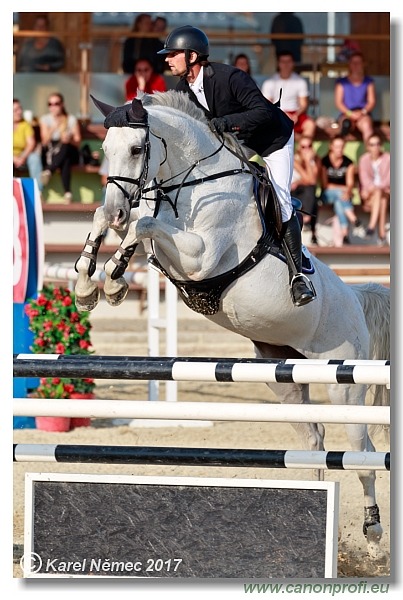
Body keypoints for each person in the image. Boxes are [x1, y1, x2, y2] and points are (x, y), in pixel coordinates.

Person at [157, 25, 315, 306]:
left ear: (192, 56)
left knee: (279, 199)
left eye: (173, 54)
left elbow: (264, 112)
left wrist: (227, 123)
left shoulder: (231, 77)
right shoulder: (182, 90)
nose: (167, 59)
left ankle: (298, 275)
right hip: (239, 142)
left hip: (272, 139)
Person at [261, 50, 316, 139]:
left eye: (288, 61)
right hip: (277, 114)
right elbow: (267, 105)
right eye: (283, 62)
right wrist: (283, 114)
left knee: (310, 125)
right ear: (278, 64)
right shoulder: (269, 82)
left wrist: (296, 115)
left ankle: (303, 148)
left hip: (296, 114)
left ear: (293, 63)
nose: (286, 65)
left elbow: (303, 104)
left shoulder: (300, 81)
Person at [39, 92, 81, 204]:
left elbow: (78, 142)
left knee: (66, 147)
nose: (53, 107)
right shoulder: (45, 119)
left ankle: (49, 170)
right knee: (65, 159)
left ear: (62, 104)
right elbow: (44, 141)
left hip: (71, 151)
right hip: (55, 153)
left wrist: (69, 139)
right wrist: (54, 127)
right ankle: (68, 193)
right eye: (50, 104)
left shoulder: (71, 119)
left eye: (56, 103)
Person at [320, 136, 363, 246]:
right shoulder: (324, 162)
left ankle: (345, 234)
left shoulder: (348, 163)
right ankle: (354, 219)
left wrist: (347, 191)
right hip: (327, 195)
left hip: (342, 197)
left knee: (339, 202)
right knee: (340, 194)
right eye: (337, 146)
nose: (339, 149)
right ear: (331, 147)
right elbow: (325, 186)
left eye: (342, 147)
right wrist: (344, 189)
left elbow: (350, 184)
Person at [334, 52, 376, 142]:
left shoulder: (368, 82)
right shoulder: (342, 82)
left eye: (359, 63)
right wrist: (350, 114)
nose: (356, 65)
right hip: (347, 113)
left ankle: (370, 153)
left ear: (363, 64)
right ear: (349, 64)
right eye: (353, 63)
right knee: (346, 125)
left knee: (366, 126)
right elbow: (338, 102)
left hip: (363, 113)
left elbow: (371, 101)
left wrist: (362, 112)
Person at [358, 134, 390, 246]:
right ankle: (382, 234)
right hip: (370, 195)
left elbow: (389, 180)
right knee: (381, 199)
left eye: (377, 144)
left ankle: (371, 227)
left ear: (381, 146)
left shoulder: (388, 158)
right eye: (372, 144)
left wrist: (376, 189)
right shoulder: (364, 159)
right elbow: (364, 179)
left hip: (385, 192)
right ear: (368, 147)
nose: (375, 147)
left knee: (381, 196)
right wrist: (373, 189)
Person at [291, 136, 321, 245]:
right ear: (299, 148)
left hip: (305, 192)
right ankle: (309, 223)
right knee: (310, 191)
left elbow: (312, 180)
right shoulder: (294, 159)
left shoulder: (315, 160)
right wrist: (308, 162)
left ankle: (308, 220)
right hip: (293, 192)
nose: (306, 150)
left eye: (309, 146)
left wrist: (299, 181)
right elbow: (310, 179)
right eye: (303, 147)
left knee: (311, 191)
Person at [13, 99, 43, 191]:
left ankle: (38, 192)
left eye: (20, 109)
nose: (20, 112)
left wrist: (22, 157)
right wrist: (13, 158)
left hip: (23, 156)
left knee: (34, 158)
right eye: (16, 110)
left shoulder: (25, 125)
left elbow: (31, 143)